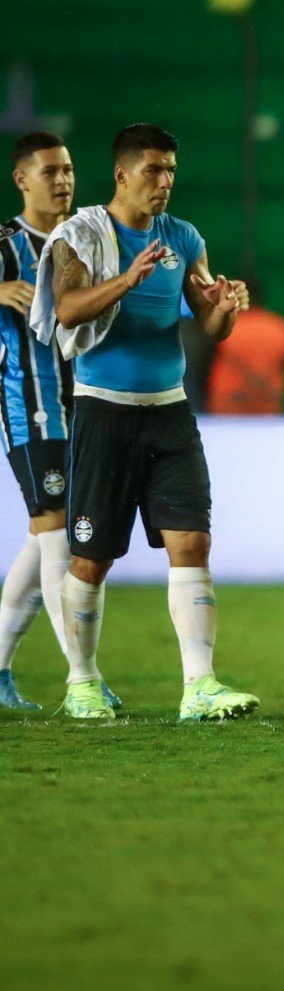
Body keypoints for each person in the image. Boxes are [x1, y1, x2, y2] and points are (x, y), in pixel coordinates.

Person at [37, 124, 258, 722]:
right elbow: (66, 310)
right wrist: (128, 279)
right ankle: (81, 682)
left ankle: (200, 685)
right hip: (104, 411)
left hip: (169, 412)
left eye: (171, 172)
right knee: (92, 556)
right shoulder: (80, 235)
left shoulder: (183, 238)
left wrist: (222, 308)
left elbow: (210, 327)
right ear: (122, 174)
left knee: (193, 541)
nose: (164, 183)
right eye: (154, 170)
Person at [0, 132, 82, 711]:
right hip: (29, 404)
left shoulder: (84, 238)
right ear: (21, 180)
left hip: (85, 406)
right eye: (50, 171)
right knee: (56, 529)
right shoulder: (5, 244)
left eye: (69, 169)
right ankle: (82, 674)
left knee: (44, 533)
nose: (62, 180)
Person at [205, 278, 284, 413]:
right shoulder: (280, 327)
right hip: (269, 399)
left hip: (228, 401)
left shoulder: (223, 325)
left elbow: (204, 364)